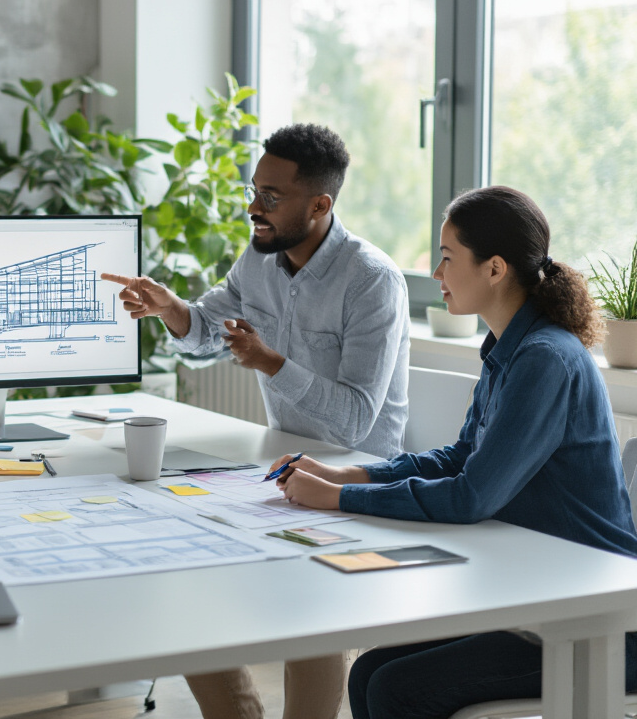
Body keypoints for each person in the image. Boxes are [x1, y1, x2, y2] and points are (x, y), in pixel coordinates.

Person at [270, 185, 637, 718]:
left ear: (494, 268)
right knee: (372, 671)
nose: (437, 275)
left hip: (597, 625)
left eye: (446, 259)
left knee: (400, 688)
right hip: (535, 599)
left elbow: (471, 496)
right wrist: (348, 473)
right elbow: (459, 457)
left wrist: (337, 500)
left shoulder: (544, 361)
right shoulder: (506, 351)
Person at [104, 123, 410, 719]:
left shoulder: (372, 281)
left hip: (357, 479)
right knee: (180, 567)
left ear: (320, 205)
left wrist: (271, 362)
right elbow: (206, 333)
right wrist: (172, 310)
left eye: (272, 197)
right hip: (277, 466)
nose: (253, 208)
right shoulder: (260, 260)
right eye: (255, 191)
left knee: (309, 610)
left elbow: (351, 424)